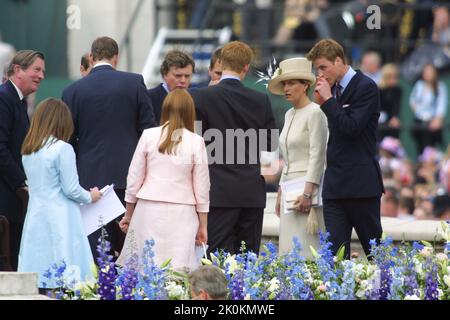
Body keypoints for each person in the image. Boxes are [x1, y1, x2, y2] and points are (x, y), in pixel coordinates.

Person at [62, 36, 156, 260]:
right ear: (116, 58)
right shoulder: (134, 82)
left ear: (91, 58)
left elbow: (67, 140)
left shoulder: (72, 91)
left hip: (89, 185)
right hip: (128, 180)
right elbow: (149, 131)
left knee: (97, 254)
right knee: (130, 252)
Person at [191, 41, 278, 256]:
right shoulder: (260, 99)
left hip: (218, 191)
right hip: (250, 192)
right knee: (248, 263)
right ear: (246, 67)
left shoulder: (202, 96)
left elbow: (193, 140)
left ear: (221, 63)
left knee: (217, 261)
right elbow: (271, 143)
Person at [306, 39, 384, 258]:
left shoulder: (366, 87)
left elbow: (352, 128)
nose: (319, 74)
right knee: (335, 260)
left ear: (339, 60)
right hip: (334, 188)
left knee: (376, 255)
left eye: (323, 67)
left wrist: (329, 101)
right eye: (316, 69)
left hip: (362, 187)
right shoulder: (331, 91)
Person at [117, 89, 209, 271]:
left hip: (147, 211)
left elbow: (134, 179)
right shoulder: (196, 141)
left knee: (143, 272)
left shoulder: (148, 136)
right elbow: (202, 188)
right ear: (190, 112)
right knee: (179, 273)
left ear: (165, 109)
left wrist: (128, 215)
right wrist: (203, 225)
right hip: (183, 213)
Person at [17, 98, 102, 289]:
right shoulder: (63, 149)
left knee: (39, 265)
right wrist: (91, 196)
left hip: (36, 215)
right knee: (66, 271)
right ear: (62, 121)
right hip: (62, 218)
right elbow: (71, 188)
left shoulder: (28, 152)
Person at [268, 57, 327, 258]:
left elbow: (317, 154)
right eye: (284, 83)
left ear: (305, 85)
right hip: (289, 189)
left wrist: (308, 193)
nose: (286, 88)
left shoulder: (316, 113)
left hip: (306, 190)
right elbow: (288, 157)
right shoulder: (289, 114)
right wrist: (280, 191)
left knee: (306, 249)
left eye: (292, 83)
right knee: (288, 249)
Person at [0, 50, 45, 270]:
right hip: (6, 201)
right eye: (36, 69)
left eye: (43, 71)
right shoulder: (4, 98)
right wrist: (21, 183)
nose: (41, 75)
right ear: (18, 70)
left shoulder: (18, 101)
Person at [409, 63, 448, 155]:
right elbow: (412, 100)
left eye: (430, 72)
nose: (428, 74)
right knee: (420, 148)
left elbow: (441, 104)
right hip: (419, 121)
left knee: (431, 148)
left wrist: (438, 119)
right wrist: (418, 112)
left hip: (432, 122)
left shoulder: (440, 86)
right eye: (426, 72)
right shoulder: (419, 85)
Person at [148, 50, 195, 123]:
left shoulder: (196, 99)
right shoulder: (148, 99)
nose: (183, 80)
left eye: (187, 76)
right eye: (178, 76)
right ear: (164, 74)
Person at [378, 63, 402, 140]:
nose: (393, 80)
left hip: (392, 123)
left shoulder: (398, 90)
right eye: (390, 77)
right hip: (379, 123)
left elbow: (396, 106)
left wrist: (394, 118)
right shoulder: (378, 90)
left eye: (395, 77)